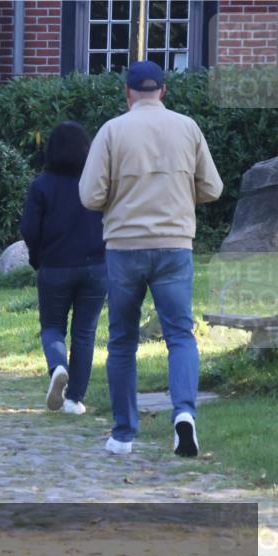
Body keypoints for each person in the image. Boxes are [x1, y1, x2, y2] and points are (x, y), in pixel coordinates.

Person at [79, 60, 222, 457]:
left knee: (122, 340)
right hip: (175, 245)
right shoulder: (187, 127)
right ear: (163, 90)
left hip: (124, 248)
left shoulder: (112, 131)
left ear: (127, 92)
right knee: (180, 335)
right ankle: (184, 415)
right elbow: (213, 187)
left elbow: (90, 196)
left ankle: (123, 433)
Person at [20, 121, 107, 416]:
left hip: (55, 266)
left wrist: (38, 256)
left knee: (53, 327)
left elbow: (29, 230)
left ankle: (58, 367)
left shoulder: (41, 185)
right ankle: (74, 399)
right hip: (97, 266)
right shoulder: (97, 182)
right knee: (85, 333)